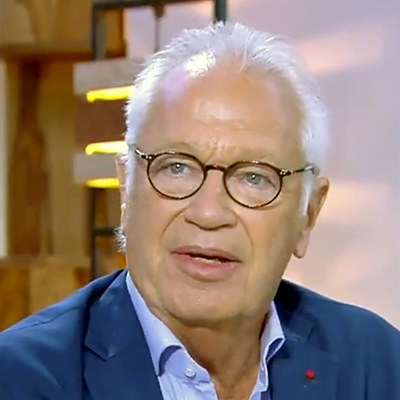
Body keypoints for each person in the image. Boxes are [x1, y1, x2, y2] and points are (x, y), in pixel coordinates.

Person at [0, 22, 399, 400]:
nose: (208, 213)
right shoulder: (23, 379)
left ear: (308, 214)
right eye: (176, 167)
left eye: (254, 178)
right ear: (126, 189)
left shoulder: (374, 365)